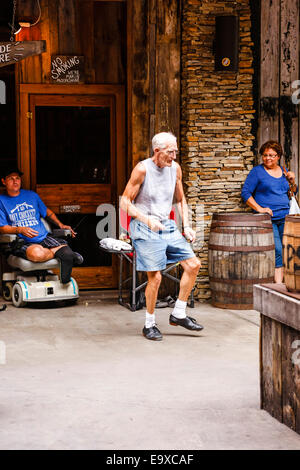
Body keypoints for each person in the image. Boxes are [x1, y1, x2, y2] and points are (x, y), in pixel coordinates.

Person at [120, 131, 203, 341]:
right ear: (156, 151)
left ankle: (179, 313)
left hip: (166, 225)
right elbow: (125, 202)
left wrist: (187, 226)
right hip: (144, 226)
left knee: (193, 265)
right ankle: (149, 324)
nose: (174, 156)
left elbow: (181, 199)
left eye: (176, 151)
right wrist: (147, 220)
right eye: (169, 152)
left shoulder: (175, 168)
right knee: (155, 277)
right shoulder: (142, 169)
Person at [0, 167, 83, 284]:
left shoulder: (31, 196)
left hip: (44, 238)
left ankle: (65, 282)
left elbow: (47, 212)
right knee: (37, 254)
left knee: (67, 254)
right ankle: (62, 254)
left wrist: (61, 224)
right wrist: (19, 229)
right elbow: (2, 228)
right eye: (11, 178)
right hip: (22, 242)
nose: (15, 181)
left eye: (17, 178)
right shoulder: (1, 201)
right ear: (3, 181)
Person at [241, 140, 297, 284]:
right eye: (265, 155)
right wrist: (260, 209)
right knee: (278, 250)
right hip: (268, 220)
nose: (268, 158)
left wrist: (292, 182)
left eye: (272, 155)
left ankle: (288, 283)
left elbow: (292, 193)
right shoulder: (257, 172)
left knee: (288, 250)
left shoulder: (284, 171)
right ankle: (278, 287)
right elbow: (246, 193)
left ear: (278, 156)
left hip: (286, 218)